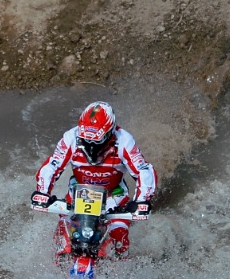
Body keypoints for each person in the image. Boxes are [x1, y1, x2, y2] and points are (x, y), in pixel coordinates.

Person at [31, 101, 157, 259]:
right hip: (78, 195)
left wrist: (141, 201)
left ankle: (124, 273)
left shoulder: (124, 140)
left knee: (120, 235)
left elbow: (143, 170)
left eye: (96, 142)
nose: (91, 147)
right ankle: (58, 271)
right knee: (62, 239)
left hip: (114, 197)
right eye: (86, 140)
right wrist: (43, 192)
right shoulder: (70, 137)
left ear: (110, 132)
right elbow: (52, 165)